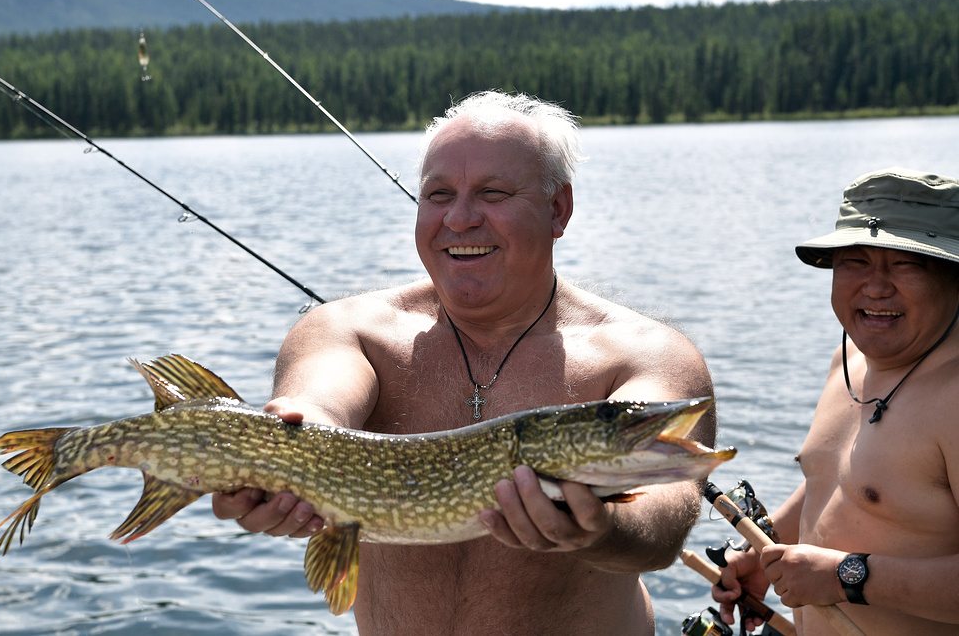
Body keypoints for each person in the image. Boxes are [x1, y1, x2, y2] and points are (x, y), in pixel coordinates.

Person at [212, 90, 716, 635]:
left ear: (558, 209)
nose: (459, 218)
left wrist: (604, 524)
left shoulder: (644, 354)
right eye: (439, 194)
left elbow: (662, 518)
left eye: (493, 193)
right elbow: (319, 403)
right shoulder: (348, 330)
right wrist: (296, 438)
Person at [712, 168, 959, 634]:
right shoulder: (850, 359)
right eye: (855, 262)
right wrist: (765, 552)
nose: (876, 287)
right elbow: (841, 478)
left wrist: (847, 576)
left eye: (906, 264)